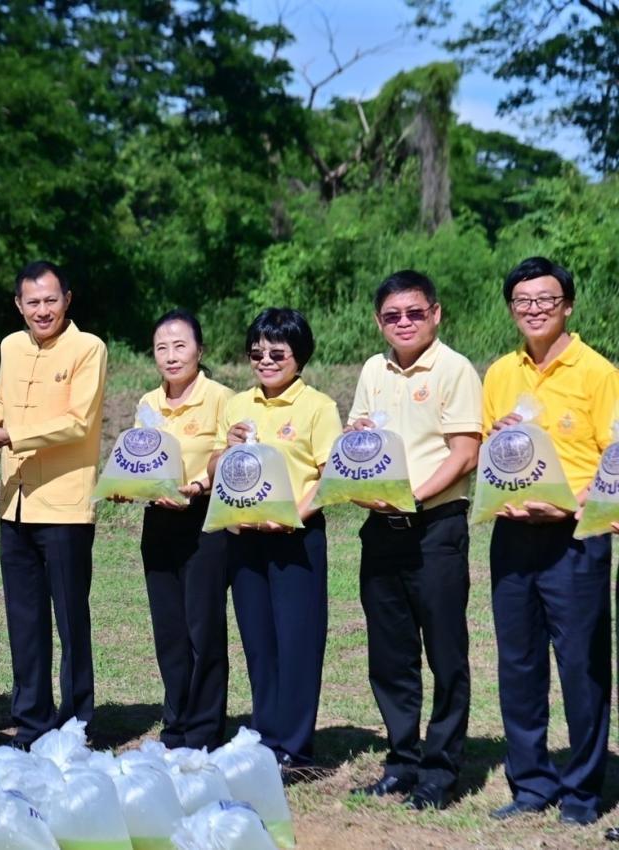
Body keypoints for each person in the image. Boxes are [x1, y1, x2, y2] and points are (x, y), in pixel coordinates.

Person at [481, 257, 618, 827]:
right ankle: (531, 782)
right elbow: (493, 452)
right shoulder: (499, 374)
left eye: (546, 299)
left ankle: (584, 791)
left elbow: (615, 461)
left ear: (568, 305)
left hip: (575, 540)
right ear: (512, 309)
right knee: (517, 663)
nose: (534, 309)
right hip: (512, 535)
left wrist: (572, 503)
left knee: (581, 665)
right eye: (523, 301)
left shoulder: (598, 372)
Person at [346, 271, 481, 810]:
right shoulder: (373, 370)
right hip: (380, 531)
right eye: (392, 316)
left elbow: (464, 452)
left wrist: (414, 498)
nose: (404, 323)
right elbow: (358, 434)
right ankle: (402, 761)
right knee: (389, 654)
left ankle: (441, 771)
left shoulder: (454, 370)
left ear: (436, 314)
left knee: (445, 654)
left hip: (435, 529)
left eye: (414, 313)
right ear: (379, 322)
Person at [0, 260, 107, 747]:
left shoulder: (88, 349)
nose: (41, 310)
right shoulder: (11, 346)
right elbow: (6, 408)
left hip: (63, 506)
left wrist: (9, 435)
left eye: (50, 300)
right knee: (24, 619)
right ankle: (32, 720)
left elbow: (77, 423)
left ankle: (77, 721)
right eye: (32, 301)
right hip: (15, 502)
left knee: (70, 617)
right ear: (18, 305)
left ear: (68, 299)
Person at [209, 307, 340, 769]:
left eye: (276, 353)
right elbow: (214, 471)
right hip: (245, 537)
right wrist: (226, 447)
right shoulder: (237, 405)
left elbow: (331, 477)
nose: (265, 360)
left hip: (295, 539)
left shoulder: (318, 407)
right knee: (260, 643)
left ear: (298, 357)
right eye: (256, 353)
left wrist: (293, 516)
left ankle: (296, 747)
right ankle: (265, 739)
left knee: (297, 643)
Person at [130, 309, 234, 749]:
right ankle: (176, 724)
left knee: (203, 629)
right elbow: (139, 460)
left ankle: (205, 729)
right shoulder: (148, 404)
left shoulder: (222, 399)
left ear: (200, 350)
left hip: (203, 521)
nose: (171, 356)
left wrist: (199, 485)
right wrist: (128, 487)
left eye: (180, 346)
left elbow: (226, 456)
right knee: (169, 631)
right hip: (159, 522)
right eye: (161, 348)